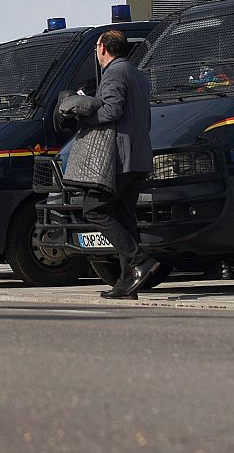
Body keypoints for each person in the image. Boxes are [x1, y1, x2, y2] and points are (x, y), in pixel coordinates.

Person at [80, 29, 160, 300]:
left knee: (94, 209)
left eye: (96, 47)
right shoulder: (137, 73)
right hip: (139, 156)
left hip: (120, 157)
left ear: (103, 48)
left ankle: (140, 261)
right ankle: (127, 285)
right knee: (125, 218)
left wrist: (85, 113)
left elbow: (111, 110)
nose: (96, 52)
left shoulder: (114, 72)